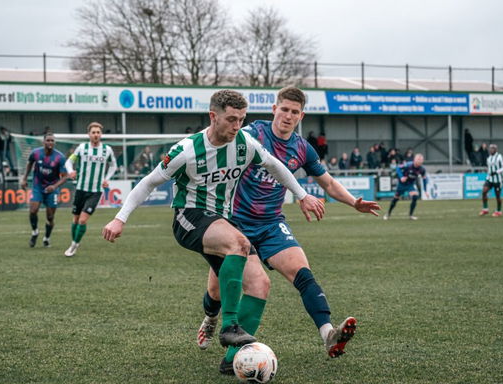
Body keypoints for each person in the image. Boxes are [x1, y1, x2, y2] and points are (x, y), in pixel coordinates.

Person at [102, 89, 325, 359]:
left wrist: (301, 196)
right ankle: (229, 324)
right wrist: (119, 218)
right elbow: (148, 183)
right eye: (231, 119)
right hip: (190, 218)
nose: (237, 126)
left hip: (224, 221)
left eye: (241, 119)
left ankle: (233, 360)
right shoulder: (187, 150)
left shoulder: (245, 144)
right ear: (213, 116)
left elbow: (276, 166)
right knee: (240, 243)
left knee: (260, 285)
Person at [194, 87, 380, 373]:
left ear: (301, 115)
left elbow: (328, 183)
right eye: (284, 110)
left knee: (302, 273)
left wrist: (354, 202)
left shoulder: (302, 148)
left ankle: (329, 334)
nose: (288, 116)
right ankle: (210, 318)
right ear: (274, 109)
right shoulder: (253, 133)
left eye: (295, 112)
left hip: (271, 224)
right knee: (216, 291)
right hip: (233, 224)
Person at [64, 122, 117, 257]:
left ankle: (74, 245)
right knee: (75, 220)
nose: (96, 135)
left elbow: (113, 166)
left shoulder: (107, 150)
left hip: (95, 191)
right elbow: (69, 162)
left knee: (82, 220)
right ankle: (74, 240)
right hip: (81, 189)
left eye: (98, 132)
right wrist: (70, 171)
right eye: (93, 132)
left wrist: (107, 178)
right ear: (89, 134)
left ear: (101, 134)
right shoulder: (82, 148)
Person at [20, 132, 68, 248]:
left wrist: (54, 187)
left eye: (52, 140)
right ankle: (35, 232)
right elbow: (30, 163)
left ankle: (46, 238)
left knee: (50, 217)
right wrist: (24, 178)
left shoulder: (59, 157)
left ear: (54, 142)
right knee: (33, 210)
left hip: (52, 189)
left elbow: (65, 177)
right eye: (48, 140)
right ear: (44, 142)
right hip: (38, 186)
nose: (50, 142)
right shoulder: (36, 153)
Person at [384, 153, 428, 220]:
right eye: (418, 159)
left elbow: (424, 179)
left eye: (421, 160)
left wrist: (425, 190)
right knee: (395, 199)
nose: (420, 161)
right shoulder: (408, 165)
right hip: (402, 184)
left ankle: (411, 215)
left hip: (410, 185)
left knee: (415, 196)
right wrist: (401, 177)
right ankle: (388, 213)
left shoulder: (422, 169)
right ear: (414, 160)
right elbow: (398, 168)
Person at [479, 144, 503, 217]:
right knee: (484, 191)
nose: (491, 150)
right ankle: (485, 209)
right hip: (490, 179)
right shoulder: (488, 158)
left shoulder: (500, 157)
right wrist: (488, 176)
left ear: (495, 149)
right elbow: (489, 169)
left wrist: (496, 172)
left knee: (498, 196)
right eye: (490, 149)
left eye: (492, 149)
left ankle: (498, 211)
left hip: (498, 180)